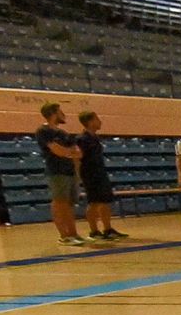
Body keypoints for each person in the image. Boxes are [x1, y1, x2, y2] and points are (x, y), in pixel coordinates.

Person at [35, 102, 84, 246]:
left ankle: (73, 234)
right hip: (56, 172)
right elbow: (57, 151)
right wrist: (69, 152)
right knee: (60, 203)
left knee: (69, 204)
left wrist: (68, 153)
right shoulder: (43, 131)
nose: (63, 115)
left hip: (70, 171)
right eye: (60, 112)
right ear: (53, 113)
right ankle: (64, 236)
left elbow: (78, 153)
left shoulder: (64, 133)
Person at [76, 111, 126, 240]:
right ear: (90, 121)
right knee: (94, 202)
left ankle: (108, 229)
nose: (100, 121)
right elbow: (77, 159)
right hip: (90, 174)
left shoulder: (95, 138)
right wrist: (78, 176)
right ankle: (94, 231)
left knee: (105, 201)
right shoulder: (82, 139)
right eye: (97, 119)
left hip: (100, 172)